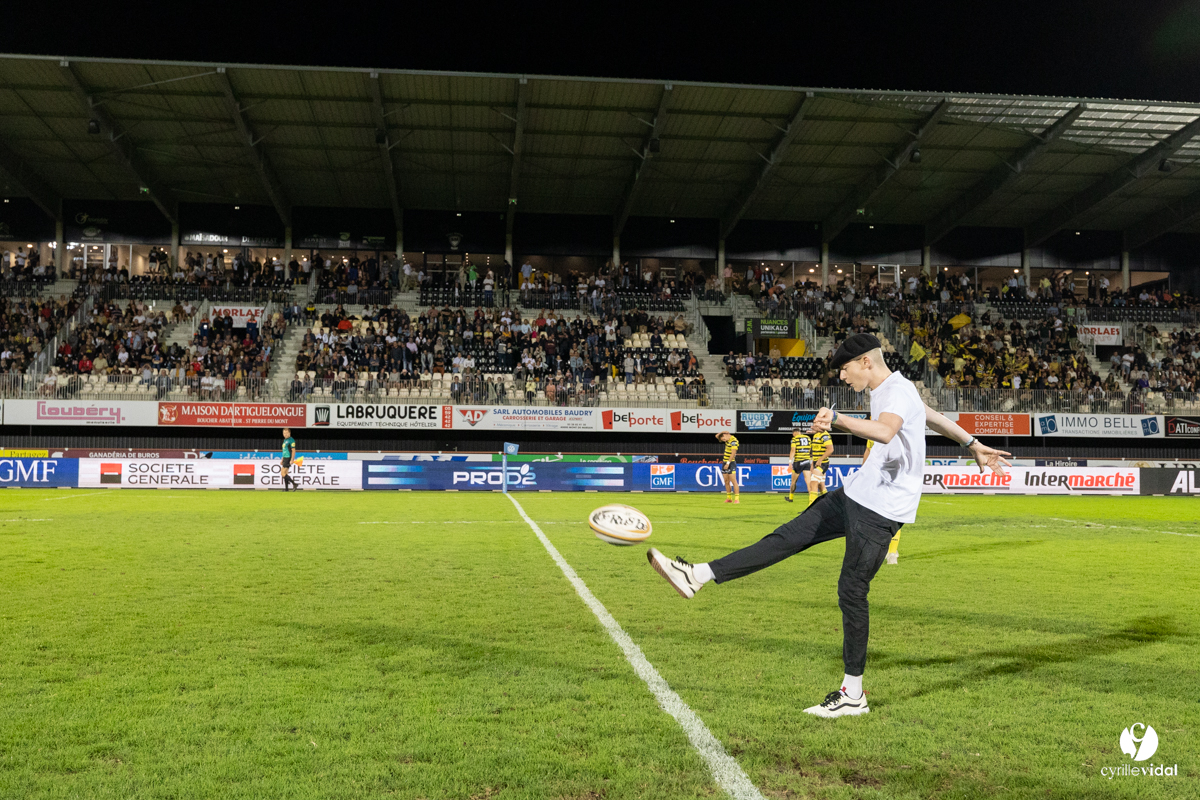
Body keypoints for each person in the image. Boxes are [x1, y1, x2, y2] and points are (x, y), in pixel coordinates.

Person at [647, 333, 1011, 718]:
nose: (842, 376)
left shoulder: (895, 393)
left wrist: (838, 419)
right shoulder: (893, 389)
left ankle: (853, 694)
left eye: (845, 368)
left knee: (851, 592)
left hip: (881, 510)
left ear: (866, 363)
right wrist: (973, 443)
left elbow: (885, 431)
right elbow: (931, 417)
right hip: (856, 494)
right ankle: (698, 575)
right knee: (789, 535)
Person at [807, 426, 835, 505]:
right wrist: (812, 464)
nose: (813, 425)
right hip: (817, 463)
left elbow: (830, 449)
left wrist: (820, 459)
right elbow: (815, 452)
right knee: (821, 485)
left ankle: (811, 507)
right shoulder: (816, 435)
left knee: (813, 483)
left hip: (822, 463)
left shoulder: (824, 436)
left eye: (816, 424)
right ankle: (828, 505)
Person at [786, 425, 810, 504]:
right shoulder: (808, 438)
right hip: (807, 461)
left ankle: (791, 497)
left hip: (798, 462)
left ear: (794, 433)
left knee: (793, 481)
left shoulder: (794, 439)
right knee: (808, 481)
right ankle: (812, 499)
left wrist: (790, 461)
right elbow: (810, 449)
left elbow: (793, 450)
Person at [716, 430, 739, 504]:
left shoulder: (734, 441)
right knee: (726, 481)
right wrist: (723, 433)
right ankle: (729, 498)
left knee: (733, 481)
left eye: (724, 439)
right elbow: (717, 436)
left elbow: (733, 454)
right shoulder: (727, 440)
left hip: (731, 463)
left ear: (725, 436)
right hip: (725, 462)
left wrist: (728, 463)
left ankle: (736, 499)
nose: (724, 441)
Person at [280, 427, 298, 492]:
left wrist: (292, 459)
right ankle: (287, 488)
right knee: (285, 473)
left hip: (288, 457)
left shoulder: (291, 440)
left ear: (289, 433)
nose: (285, 434)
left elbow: (293, 450)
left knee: (283, 473)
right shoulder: (285, 440)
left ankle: (294, 484)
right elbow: (284, 450)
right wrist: (282, 459)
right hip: (285, 457)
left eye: (286, 433)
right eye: (284, 433)